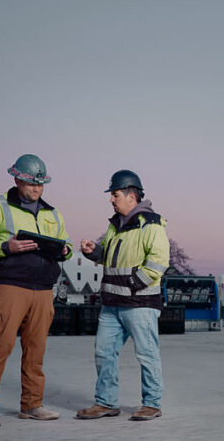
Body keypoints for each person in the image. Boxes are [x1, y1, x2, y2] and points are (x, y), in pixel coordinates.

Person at [0, 154, 71, 428]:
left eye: (40, 185)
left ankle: (32, 405)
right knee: (0, 346)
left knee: (36, 351)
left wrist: (65, 250)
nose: (36, 189)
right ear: (16, 179)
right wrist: (5, 247)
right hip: (10, 287)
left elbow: (67, 244)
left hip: (43, 291)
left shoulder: (53, 213)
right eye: (30, 184)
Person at [76, 170, 170, 422]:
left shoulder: (151, 224)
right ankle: (106, 402)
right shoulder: (115, 225)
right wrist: (95, 251)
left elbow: (158, 262)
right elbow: (109, 257)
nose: (111, 199)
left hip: (139, 304)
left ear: (131, 195)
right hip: (112, 304)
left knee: (147, 354)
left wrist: (132, 284)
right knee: (104, 352)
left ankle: (151, 404)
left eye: (115, 194)